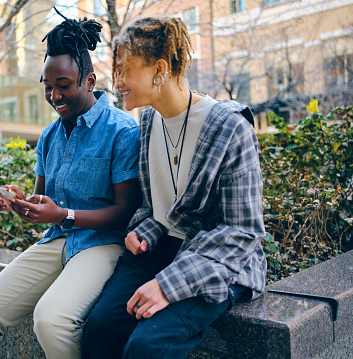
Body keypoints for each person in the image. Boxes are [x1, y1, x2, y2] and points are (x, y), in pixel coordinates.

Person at [81, 15, 267, 359]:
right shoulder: (149, 119)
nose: (116, 81)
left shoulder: (230, 128)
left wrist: (168, 286)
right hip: (159, 251)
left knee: (147, 347)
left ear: (160, 68)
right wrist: (146, 230)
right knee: (99, 330)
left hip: (218, 261)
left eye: (124, 69)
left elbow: (243, 231)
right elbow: (162, 208)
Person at [0, 10, 142, 359]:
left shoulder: (122, 131)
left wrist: (63, 214)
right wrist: (17, 201)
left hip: (103, 245)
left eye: (63, 86)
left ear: (89, 82)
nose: (54, 96)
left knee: (51, 319)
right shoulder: (48, 136)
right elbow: (41, 200)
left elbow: (126, 213)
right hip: (57, 239)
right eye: (48, 87)